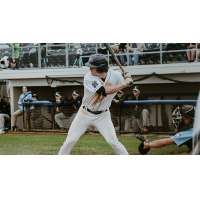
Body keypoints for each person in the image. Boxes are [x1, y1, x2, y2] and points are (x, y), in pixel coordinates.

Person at [58, 54, 133, 155]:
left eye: (92, 67)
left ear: (101, 68)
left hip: (103, 115)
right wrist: (124, 84)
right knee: (70, 140)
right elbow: (103, 91)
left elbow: (131, 84)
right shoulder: (88, 77)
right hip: (84, 113)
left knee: (113, 141)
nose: (90, 68)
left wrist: (128, 79)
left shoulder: (116, 75)